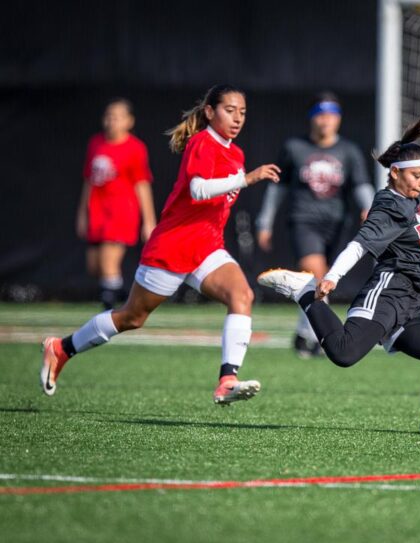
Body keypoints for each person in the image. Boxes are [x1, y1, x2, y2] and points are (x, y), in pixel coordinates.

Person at [40, 84, 281, 405]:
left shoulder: (235, 152)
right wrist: (246, 179)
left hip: (206, 246)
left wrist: (241, 179)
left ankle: (227, 380)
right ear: (210, 112)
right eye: (229, 110)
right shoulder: (202, 143)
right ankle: (61, 349)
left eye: (243, 112)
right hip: (173, 246)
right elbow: (197, 190)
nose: (237, 118)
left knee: (242, 295)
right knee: (132, 317)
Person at [258, 111, 420, 436]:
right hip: (388, 293)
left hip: (410, 303)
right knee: (344, 353)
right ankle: (306, 292)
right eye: (416, 176)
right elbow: (359, 246)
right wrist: (332, 276)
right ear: (395, 174)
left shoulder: (410, 194)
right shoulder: (389, 205)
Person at [255, 92, 375, 358]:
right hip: (303, 220)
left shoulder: (349, 151)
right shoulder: (294, 148)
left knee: (321, 282)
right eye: (321, 115)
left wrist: (370, 208)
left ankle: (303, 335)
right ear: (312, 118)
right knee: (316, 275)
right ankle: (324, 338)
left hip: (336, 224)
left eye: (332, 115)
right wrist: (264, 222)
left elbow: (361, 185)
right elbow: (277, 190)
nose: (326, 121)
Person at [77, 99, 157, 309]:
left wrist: (149, 221)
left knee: (108, 263)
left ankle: (110, 314)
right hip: (97, 211)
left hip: (122, 212)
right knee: (94, 267)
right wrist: (82, 213)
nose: (112, 121)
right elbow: (89, 180)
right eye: (109, 116)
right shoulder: (96, 143)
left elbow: (142, 185)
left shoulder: (135, 148)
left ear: (129, 121)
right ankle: (122, 294)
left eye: (118, 117)